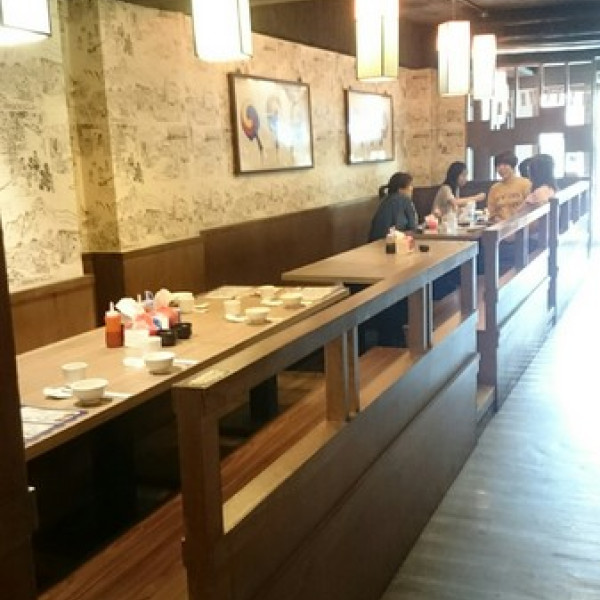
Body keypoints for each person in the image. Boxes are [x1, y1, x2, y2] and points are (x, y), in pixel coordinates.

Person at [368, 172, 417, 241]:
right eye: (410, 185)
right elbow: (413, 228)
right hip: (391, 242)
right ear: (400, 189)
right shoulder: (404, 200)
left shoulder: (386, 200)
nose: (412, 188)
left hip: (375, 243)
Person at [487, 150, 532, 222]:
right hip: (502, 226)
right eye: (498, 166)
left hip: (522, 225)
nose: (501, 168)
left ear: (513, 167)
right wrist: (503, 223)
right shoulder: (494, 189)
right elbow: (492, 214)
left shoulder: (525, 184)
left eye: (505, 165)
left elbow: (530, 208)